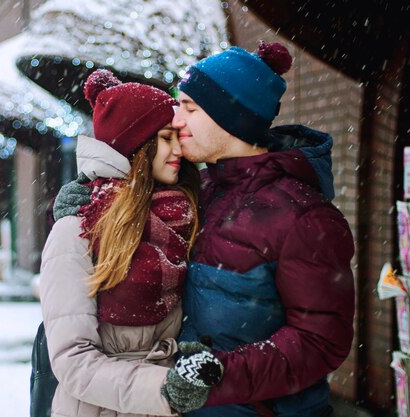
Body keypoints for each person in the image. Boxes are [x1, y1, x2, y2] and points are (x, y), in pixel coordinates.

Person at [54, 42, 355, 416]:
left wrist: (216, 376)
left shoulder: (304, 218)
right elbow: (128, 205)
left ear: (232, 119)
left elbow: (321, 341)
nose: (176, 119)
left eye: (190, 109)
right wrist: (87, 201)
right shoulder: (199, 191)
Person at [39, 70, 224, 417]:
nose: (178, 149)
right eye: (165, 138)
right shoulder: (76, 231)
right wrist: (163, 389)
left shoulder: (183, 217)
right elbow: (72, 360)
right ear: (138, 147)